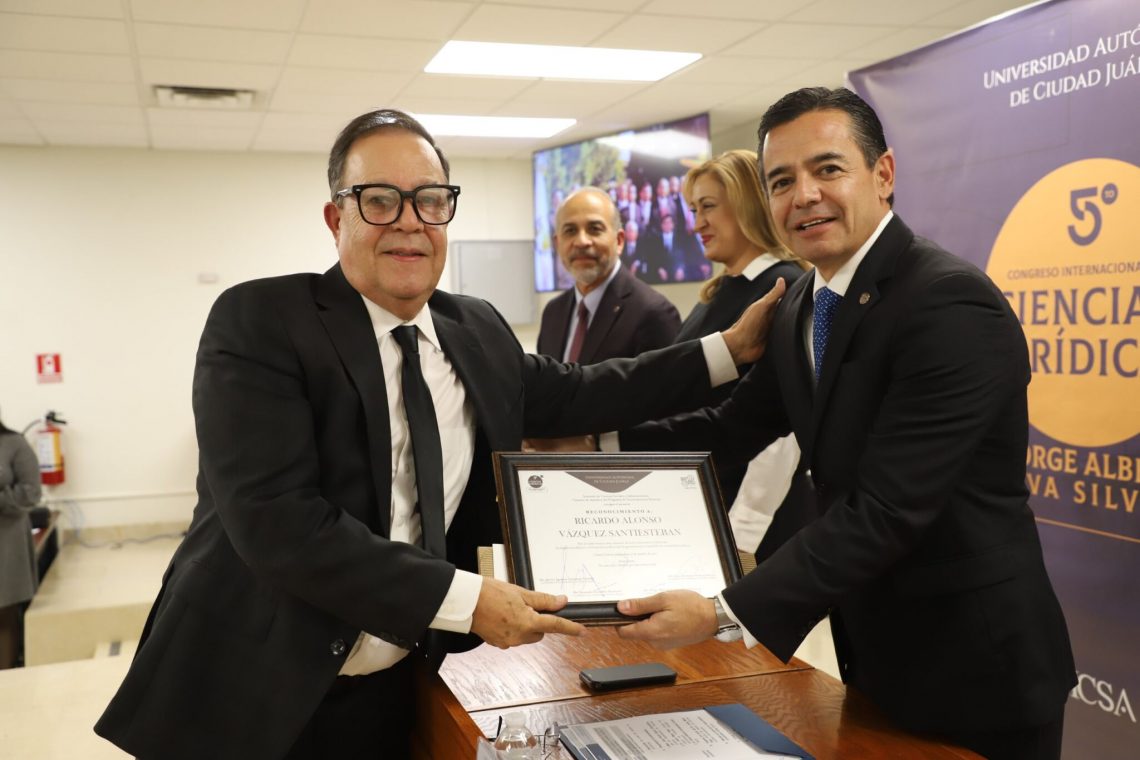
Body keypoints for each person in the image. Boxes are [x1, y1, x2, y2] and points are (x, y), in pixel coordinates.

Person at [94, 109, 780, 760]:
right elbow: (279, 522)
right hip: (252, 693)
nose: (409, 222)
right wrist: (468, 601)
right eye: (379, 200)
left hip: (394, 687)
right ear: (336, 218)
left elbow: (581, 391)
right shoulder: (262, 323)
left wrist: (727, 350)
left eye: (429, 200)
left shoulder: (472, 328)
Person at [613, 88, 1075, 760]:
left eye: (827, 169)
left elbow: (887, 508)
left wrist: (719, 613)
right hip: (876, 654)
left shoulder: (948, 302)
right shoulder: (803, 300)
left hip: (979, 670)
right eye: (781, 181)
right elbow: (732, 428)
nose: (804, 196)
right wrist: (595, 447)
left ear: (883, 174)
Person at [672, 149, 809, 531]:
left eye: (708, 207)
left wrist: (745, 528)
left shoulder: (781, 287)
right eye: (694, 210)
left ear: (747, 204)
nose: (697, 224)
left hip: (751, 521)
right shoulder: (718, 292)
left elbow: (782, 434)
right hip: (704, 500)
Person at [536, 188, 680, 363]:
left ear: (619, 241)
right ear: (557, 244)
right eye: (570, 231)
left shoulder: (654, 314)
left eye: (594, 229)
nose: (581, 241)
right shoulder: (553, 313)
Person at [0, 414, 42, 670]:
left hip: (7, 541)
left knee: (4, 612)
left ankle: (6, 677)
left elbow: (31, 492)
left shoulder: (14, 443)